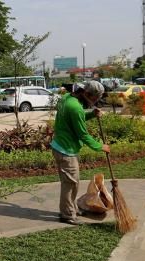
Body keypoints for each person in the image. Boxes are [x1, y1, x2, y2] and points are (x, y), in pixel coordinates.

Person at [50, 80, 111, 225]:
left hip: (62, 146)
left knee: (73, 183)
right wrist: (100, 146)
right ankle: (67, 215)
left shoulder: (67, 98)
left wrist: (90, 115)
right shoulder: (75, 107)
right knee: (69, 184)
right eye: (95, 99)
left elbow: (75, 119)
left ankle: (72, 208)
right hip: (66, 150)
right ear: (86, 93)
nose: (95, 102)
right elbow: (82, 134)